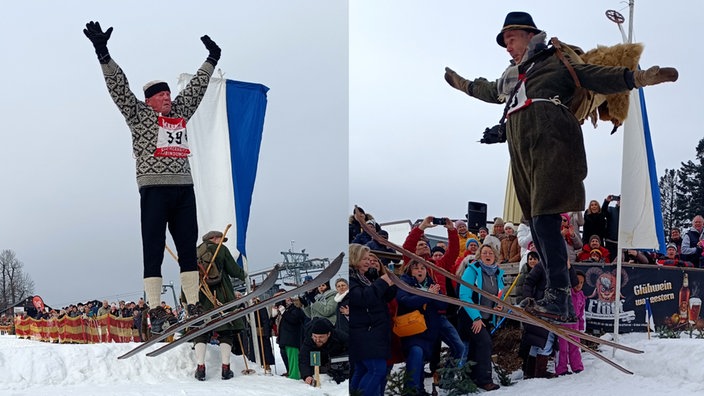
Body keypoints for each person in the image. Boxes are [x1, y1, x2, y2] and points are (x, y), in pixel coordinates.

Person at [443, 11, 677, 321]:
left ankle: (558, 293)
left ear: (529, 34)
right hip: (522, 154)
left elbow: (594, 75)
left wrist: (636, 78)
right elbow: (489, 91)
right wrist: (462, 84)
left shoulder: (556, 61)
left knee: (545, 218)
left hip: (553, 142)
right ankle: (561, 300)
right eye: (504, 42)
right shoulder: (512, 78)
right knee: (535, 224)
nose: (507, 46)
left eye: (511, 39)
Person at [83, 22, 222, 327]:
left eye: (168, 94)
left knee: (187, 247)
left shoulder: (180, 114)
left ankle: (194, 304)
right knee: (154, 246)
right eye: (161, 96)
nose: (167, 98)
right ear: (149, 101)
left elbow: (196, 89)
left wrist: (211, 59)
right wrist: (103, 53)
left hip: (184, 188)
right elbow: (118, 88)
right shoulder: (138, 115)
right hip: (154, 188)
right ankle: (156, 306)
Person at [396, 260, 464, 396]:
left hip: (429, 329)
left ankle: (420, 389)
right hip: (412, 330)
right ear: (409, 270)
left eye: (423, 268)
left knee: (422, 357)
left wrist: (434, 295)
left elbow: (442, 305)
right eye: (416, 268)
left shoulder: (431, 284)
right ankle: (411, 390)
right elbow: (406, 301)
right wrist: (427, 295)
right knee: (416, 354)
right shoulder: (404, 283)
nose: (420, 271)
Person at [192, 230, 246, 381]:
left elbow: (188, 277)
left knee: (200, 330)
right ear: (214, 238)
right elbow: (233, 270)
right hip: (221, 295)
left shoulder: (194, 252)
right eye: (221, 239)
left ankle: (201, 368)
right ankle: (225, 368)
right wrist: (244, 275)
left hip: (200, 295)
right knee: (226, 330)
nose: (222, 242)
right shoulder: (220, 249)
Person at [348, 241, 396, 396]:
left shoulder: (365, 278)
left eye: (369, 259)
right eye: (365, 259)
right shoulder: (351, 279)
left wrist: (386, 282)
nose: (369, 262)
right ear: (355, 259)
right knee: (377, 370)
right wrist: (382, 283)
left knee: (363, 369)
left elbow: (386, 297)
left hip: (372, 331)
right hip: (365, 332)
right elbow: (362, 298)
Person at [457, 244, 504, 391]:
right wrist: (476, 318)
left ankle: (472, 377)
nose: (487, 255)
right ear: (479, 256)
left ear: (495, 256)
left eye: (490, 253)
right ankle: (485, 380)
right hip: (470, 315)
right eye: (484, 253)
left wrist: (498, 306)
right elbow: (464, 295)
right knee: (484, 343)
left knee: (476, 345)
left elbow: (498, 295)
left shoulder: (498, 274)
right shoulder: (472, 270)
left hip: (486, 317)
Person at [299, 317, 348, 386]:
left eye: (321, 337)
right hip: (319, 368)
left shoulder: (338, 335)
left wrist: (341, 359)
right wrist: (306, 375)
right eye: (315, 337)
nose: (317, 340)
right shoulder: (308, 340)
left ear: (328, 334)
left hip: (337, 363)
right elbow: (303, 359)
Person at [555, 271, 586, 376]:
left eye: (582, 283)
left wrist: (581, 327)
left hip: (575, 324)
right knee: (562, 347)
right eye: (577, 281)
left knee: (575, 346)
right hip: (563, 323)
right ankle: (561, 368)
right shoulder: (566, 293)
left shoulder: (581, 295)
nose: (579, 284)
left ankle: (577, 366)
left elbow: (581, 313)